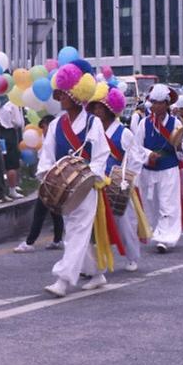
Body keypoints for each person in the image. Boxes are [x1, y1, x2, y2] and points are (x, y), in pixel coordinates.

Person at [39, 62, 110, 298]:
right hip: (63, 187)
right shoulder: (57, 124)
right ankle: (97, 272)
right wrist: (47, 176)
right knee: (74, 230)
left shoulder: (93, 122)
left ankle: (63, 279)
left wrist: (90, 176)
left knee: (78, 230)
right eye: (59, 93)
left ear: (76, 95)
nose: (60, 98)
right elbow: (47, 154)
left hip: (85, 185)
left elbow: (101, 154)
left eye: (64, 94)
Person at [88, 85, 146, 271]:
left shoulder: (124, 133)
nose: (97, 111)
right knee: (96, 225)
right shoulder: (91, 133)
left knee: (125, 222)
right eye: (95, 107)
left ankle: (132, 257)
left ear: (110, 110)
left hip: (118, 185)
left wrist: (126, 182)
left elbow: (135, 160)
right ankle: (98, 263)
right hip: (97, 184)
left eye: (100, 108)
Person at [135, 84, 183, 252]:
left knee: (168, 203)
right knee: (151, 203)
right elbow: (136, 147)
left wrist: (179, 148)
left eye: (160, 103)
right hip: (149, 169)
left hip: (169, 168)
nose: (156, 106)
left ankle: (166, 238)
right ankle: (156, 231)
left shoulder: (175, 123)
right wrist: (148, 154)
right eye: (154, 103)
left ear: (166, 104)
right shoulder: (144, 124)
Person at [13, 115, 64, 253]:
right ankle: (58, 239)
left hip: (51, 182)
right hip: (47, 181)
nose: (43, 130)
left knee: (40, 213)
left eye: (45, 126)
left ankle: (30, 242)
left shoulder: (56, 141)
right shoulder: (45, 141)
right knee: (55, 212)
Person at [0, 97, 25, 199]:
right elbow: (18, 122)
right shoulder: (12, 102)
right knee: (11, 164)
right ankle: (12, 189)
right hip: (10, 133)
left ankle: (0, 188)